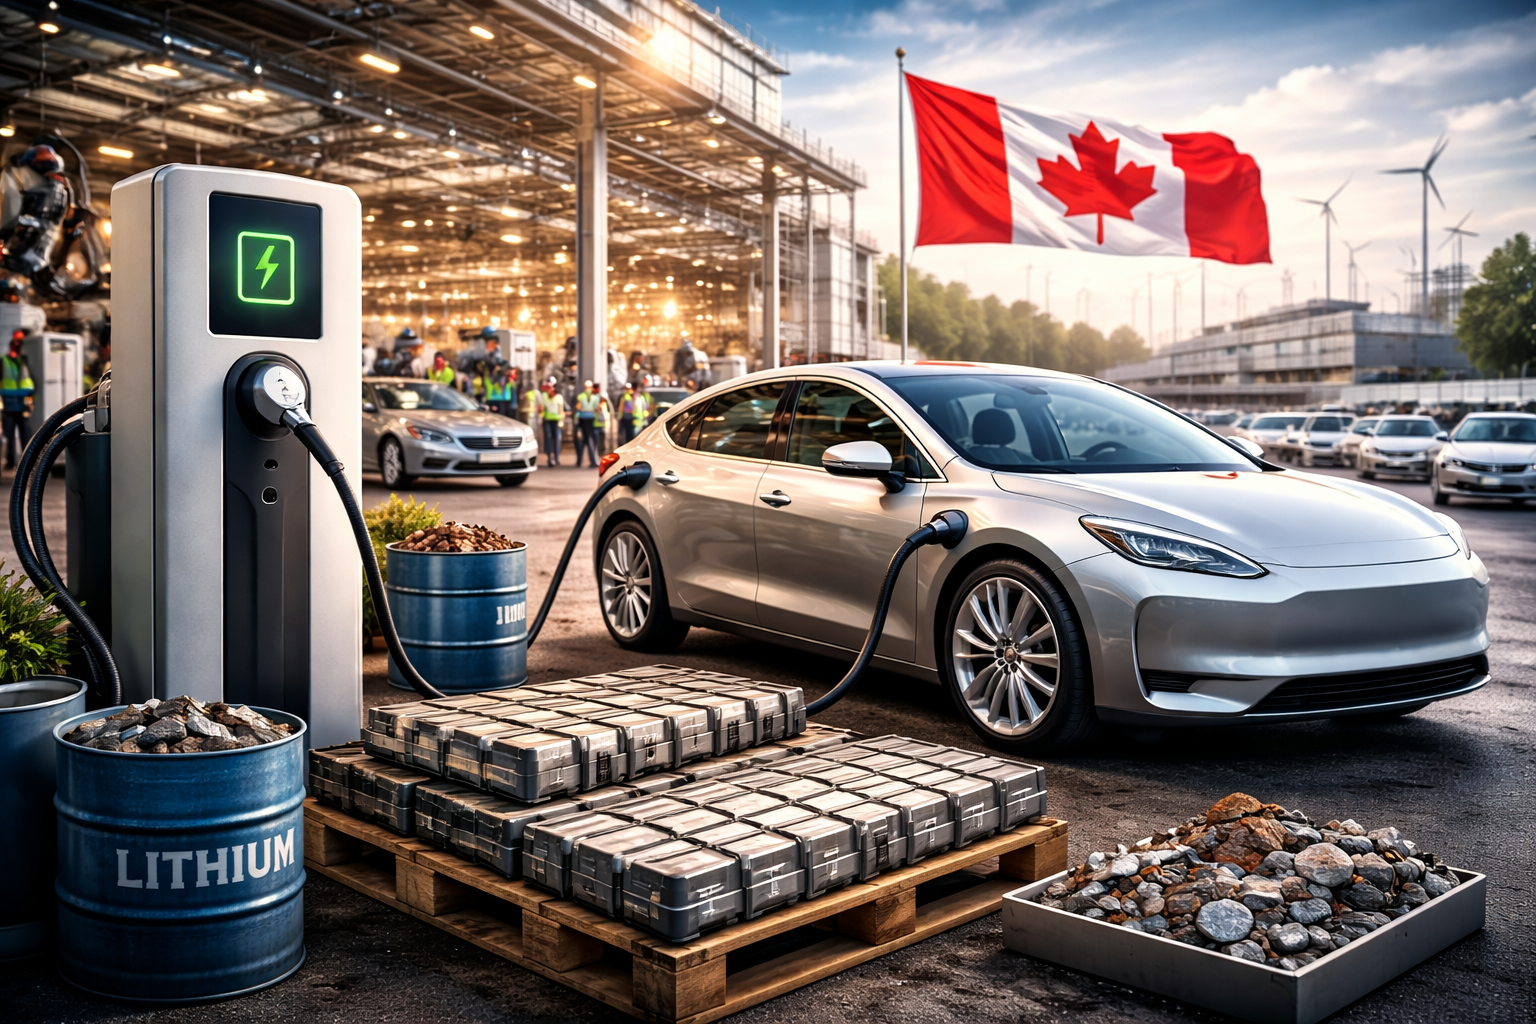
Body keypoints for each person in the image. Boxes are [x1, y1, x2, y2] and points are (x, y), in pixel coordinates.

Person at [2, 329, 35, 470]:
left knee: (25, 435)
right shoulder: (3, 361)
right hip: (9, 405)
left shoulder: (26, 361)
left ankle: (25, 462)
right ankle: (9, 462)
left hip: (23, 405)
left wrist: (29, 401)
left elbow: (31, 383)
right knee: (8, 436)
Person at [573, 379, 601, 468]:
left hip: (582, 419)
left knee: (580, 440)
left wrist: (576, 420)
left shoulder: (580, 397)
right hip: (591, 419)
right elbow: (597, 409)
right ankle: (593, 461)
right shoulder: (596, 397)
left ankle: (579, 461)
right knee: (590, 441)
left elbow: (577, 409)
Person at [539, 382, 566, 467]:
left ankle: (557, 457)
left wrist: (561, 420)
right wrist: (541, 416)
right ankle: (549, 457)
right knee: (548, 438)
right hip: (547, 420)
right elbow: (543, 408)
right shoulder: (544, 396)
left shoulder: (558, 397)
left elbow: (561, 410)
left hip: (556, 420)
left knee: (557, 439)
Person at [593, 387, 614, 456]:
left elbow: (611, 412)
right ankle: (597, 454)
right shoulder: (596, 404)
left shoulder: (606, 405)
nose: (603, 400)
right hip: (596, 425)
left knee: (604, 441)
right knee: (597, 442)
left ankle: (603, 453)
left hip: (604, 426)